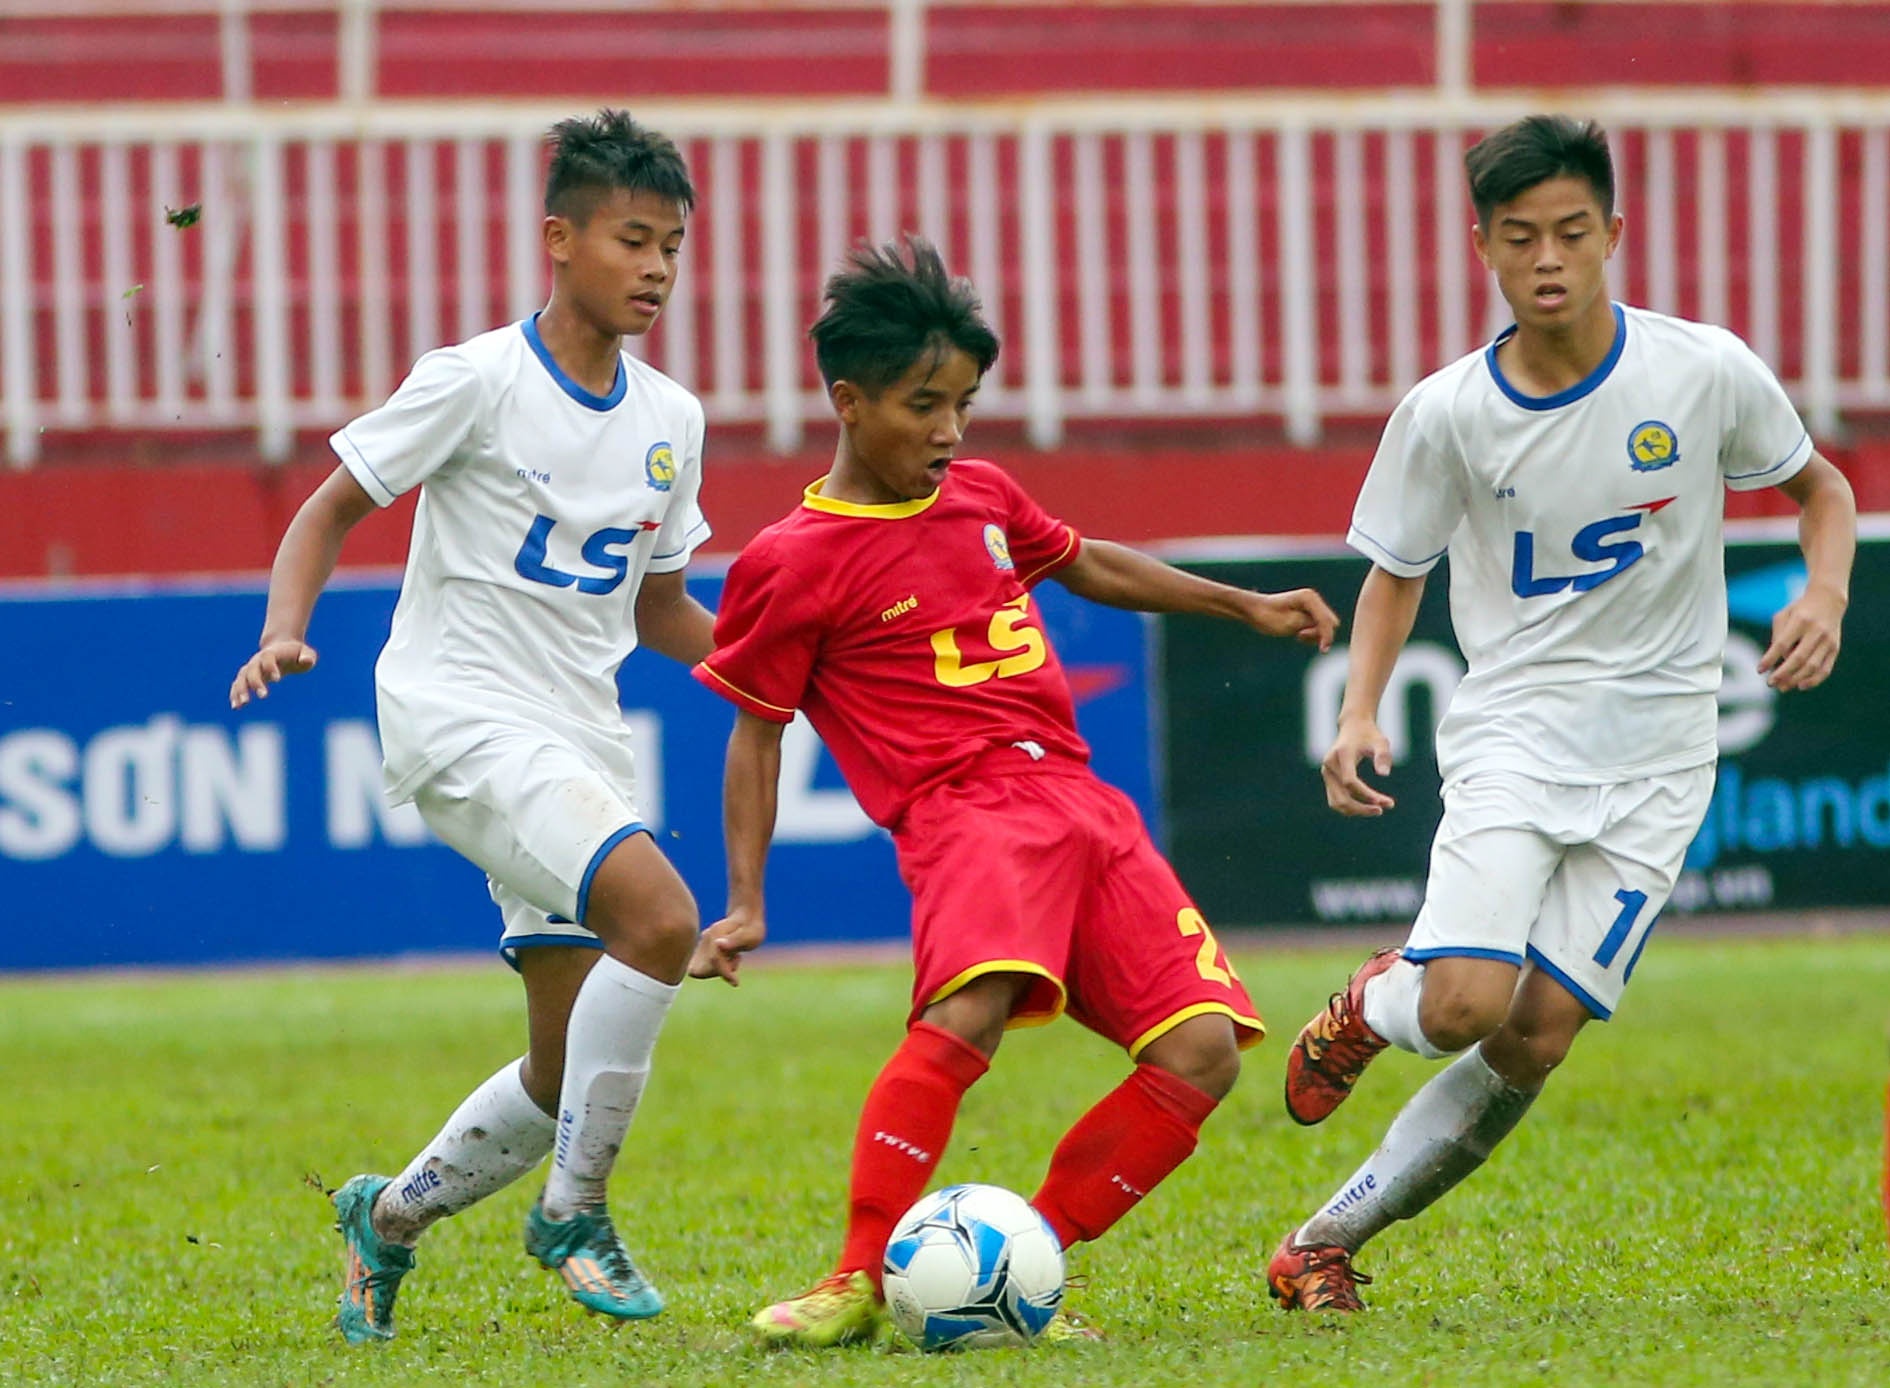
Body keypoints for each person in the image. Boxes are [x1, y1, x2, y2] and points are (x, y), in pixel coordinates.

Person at [683, 235, 1340, 1346]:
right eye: (922, 405)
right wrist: (746, 899)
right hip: (967, 814)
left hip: (1084, 805)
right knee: (969, 1010)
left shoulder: (981, 494)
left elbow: (1086, 561)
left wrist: (1242, 605)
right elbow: (757, 731)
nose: (948, 431)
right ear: (847, 401)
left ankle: (1016, 1268)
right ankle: (856, 1277)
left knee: (1202, 1052)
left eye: (963, 404)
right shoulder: (792, 561)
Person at [1266, 113, 1857, 1311]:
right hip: (1518, 738)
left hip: (1664, 762)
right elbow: (1395, 572)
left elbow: (1823, 489)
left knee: (1533, 1036)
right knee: (1461, 1005)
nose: (1549, 258)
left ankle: (1322, 1241)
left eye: (1573, 232)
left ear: (1614, 234)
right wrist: (1360, 710)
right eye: (1522, 234)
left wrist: (1827, 592)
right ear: (1481, 244)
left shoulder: (1701, 369)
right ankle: (1378, 998)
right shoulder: (1447, 412)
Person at [228, 109, 716, 1343]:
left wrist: (786, 673)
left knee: (562, 1070)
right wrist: (285, 627)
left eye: (671, 246)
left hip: (581, 738)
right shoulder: (476, 379)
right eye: (632, 240)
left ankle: (385, 1216)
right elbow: (327, 510)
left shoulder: (673, 419)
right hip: (461, 716)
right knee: (663, 920)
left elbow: (658, 604)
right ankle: (575, 1213)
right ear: (560, 239)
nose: (656, 268)